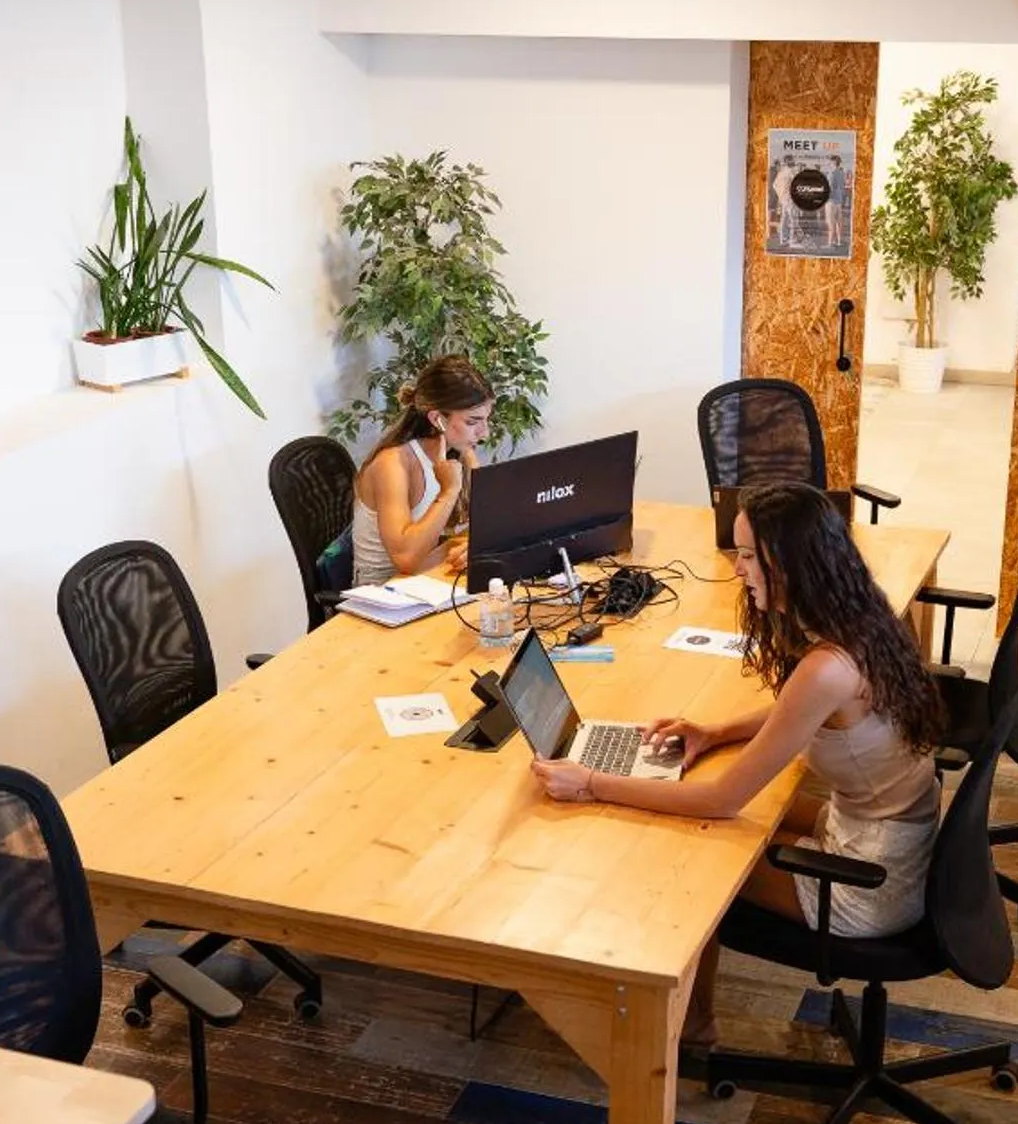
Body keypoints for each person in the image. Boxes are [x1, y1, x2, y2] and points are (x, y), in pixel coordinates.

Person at [529, 480, 944, 1047]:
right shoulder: (861, 621)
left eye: (749, 557)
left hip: (871, 885)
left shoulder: (826, 668)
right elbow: (799, 710)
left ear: (790, 564)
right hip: (883, 831)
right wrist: (714, 731)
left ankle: (691, 1029)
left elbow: (723, 802)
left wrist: (593, 783)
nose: (739, 570)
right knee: (705, 797)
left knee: (695, 858)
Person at [351, 355, 495, 584]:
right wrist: (448, 492)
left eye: (486, 420)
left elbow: (491, 518)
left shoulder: (459, 450)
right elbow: (406, 560)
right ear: (438, 419)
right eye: (472, 422)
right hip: (383, 593)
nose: (484, 433)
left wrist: (473, 546)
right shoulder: (392, 464)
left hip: (428, 578)